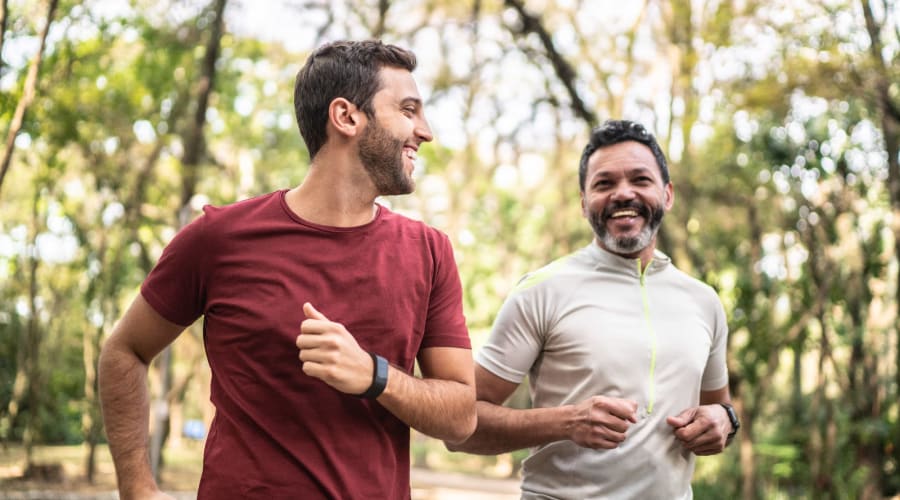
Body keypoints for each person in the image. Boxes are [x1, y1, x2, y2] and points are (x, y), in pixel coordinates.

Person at [98, 40, 477, 500]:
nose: (426, 131)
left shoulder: (429, 253)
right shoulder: (219, 238)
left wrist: (375, 375)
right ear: (346, 117)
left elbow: (461, 415)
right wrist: (137, 490)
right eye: (409, 110)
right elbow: (125, 350)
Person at [447, 119, 739, 499]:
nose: (623, 194)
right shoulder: (542, 291)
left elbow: (720, 409)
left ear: (667, 195)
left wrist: (725, 421)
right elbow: (459, 425)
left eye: (640, 179)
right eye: (604, 183)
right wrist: (565, 422)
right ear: (584, 204)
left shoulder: (703, 301)